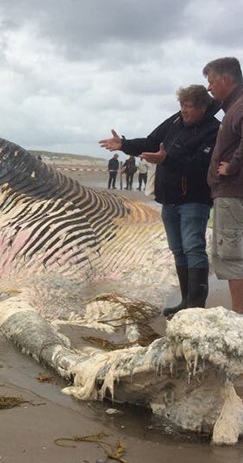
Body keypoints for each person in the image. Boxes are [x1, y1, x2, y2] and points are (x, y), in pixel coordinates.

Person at [99, 84, 220, 318]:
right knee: (178, 249)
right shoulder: (175, 122)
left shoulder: (214, 130)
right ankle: (185, 302)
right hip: (170, 198)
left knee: (194, 248)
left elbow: (201, 166)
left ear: (203, 107)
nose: (183, 110)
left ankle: (196, 307)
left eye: (189, 106)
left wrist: (167, 159)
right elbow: (152, 141)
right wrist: (124, 145)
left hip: (195, 199)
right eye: (181, 105)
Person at [203, 57, 243, 329]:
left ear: (225, 80)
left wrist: (231, 166)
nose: (209, 88)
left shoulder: (242, 105)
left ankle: (237, 319)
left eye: (211, 82)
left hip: (234, 191)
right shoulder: (237, 104)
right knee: (235, 251)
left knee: (229, 255)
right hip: (232, 192)